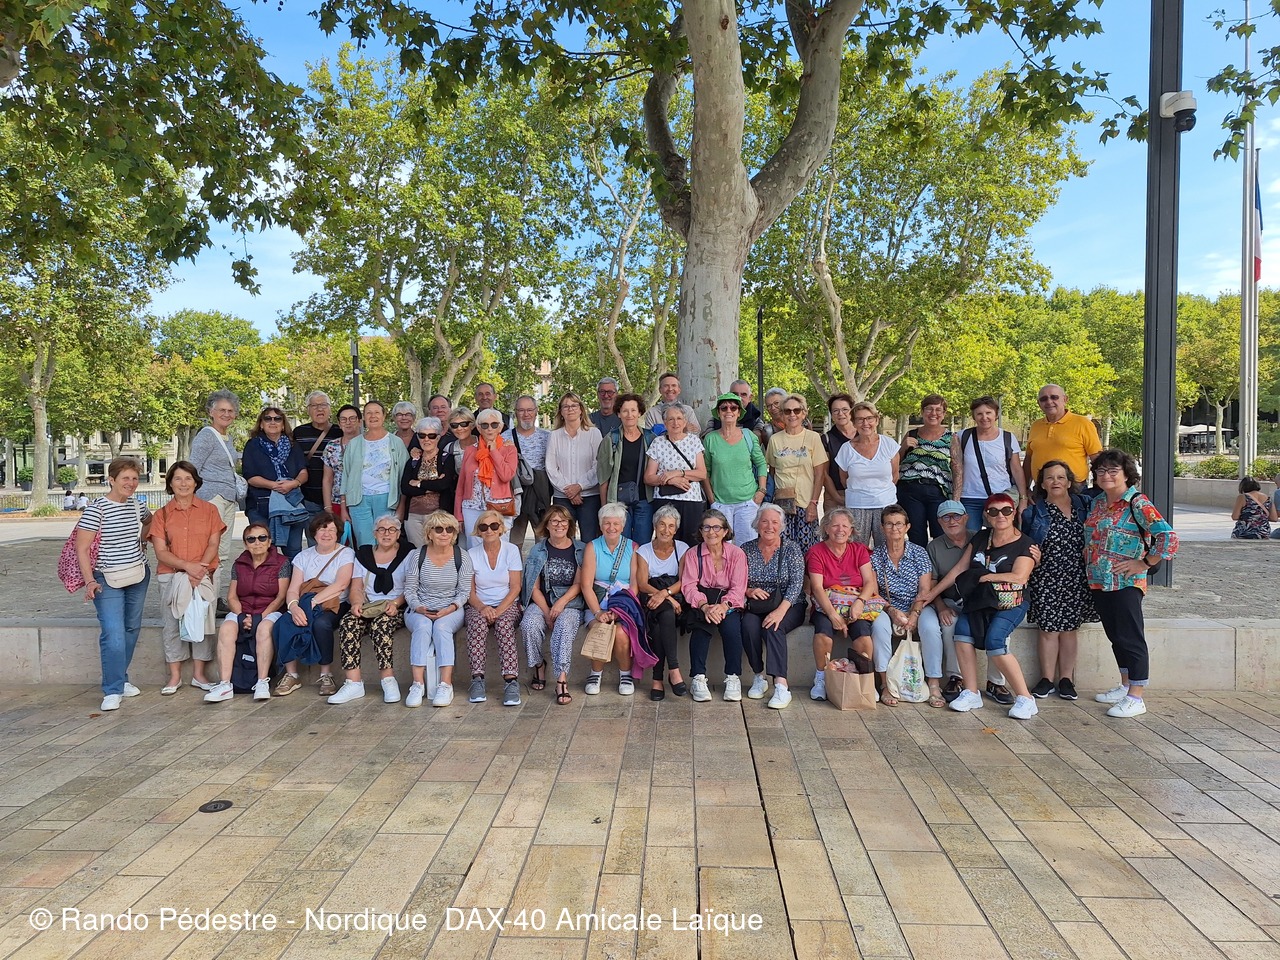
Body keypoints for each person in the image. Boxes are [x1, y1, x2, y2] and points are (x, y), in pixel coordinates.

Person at [920, 493, 1038, 720]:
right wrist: (931, 595)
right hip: (979, 600)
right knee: (962, 635)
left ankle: (1025, 698)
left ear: (1014, 513)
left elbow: (1019, 577)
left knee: (995, 641)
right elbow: (959, 569)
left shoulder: (1026, 544)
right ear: (986, 515)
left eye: (1006, 510)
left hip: (1009, 602)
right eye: (994, 511)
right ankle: (971, 692)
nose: (1000, 515)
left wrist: (983, 577)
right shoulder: (981, 537)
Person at [1084, 449, 1178, 718]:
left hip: (1126, 581)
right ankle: (1125, 686)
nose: (1106, 475)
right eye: (1101, 471)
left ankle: (1136, 696)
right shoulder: (1098, 503)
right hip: (1100, 580)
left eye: (1113, 471)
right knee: (1116, 636)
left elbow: (1168, 536)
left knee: (1131, 637)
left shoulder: (1137, 502)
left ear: (1126, 474)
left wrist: (1145, 563)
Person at [75, 457, 153, 711]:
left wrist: (142, 542)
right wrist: (89, 581)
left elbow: (149, 521)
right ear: (111, 480)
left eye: (134, 478)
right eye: (125, 478)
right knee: (113, 634)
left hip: (138, 575)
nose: (131, 483)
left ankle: (120, 679)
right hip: (106, 578)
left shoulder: (138, 506)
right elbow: (82, 548)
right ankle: (112, 689)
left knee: (131, 629)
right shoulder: (96, 509)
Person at [149, 461, 226, 694]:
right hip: (172, 575)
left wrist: (199, 569)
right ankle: (175, 677)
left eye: (188, 478)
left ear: (196, 482)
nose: (183, 483)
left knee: (203, 621)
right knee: (172, 624)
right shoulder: (161, 514)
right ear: (170, 484)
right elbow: (161, 551)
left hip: (205, 574)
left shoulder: (210, 510)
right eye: (178, 479)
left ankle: (199, 675)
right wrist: (187, 567)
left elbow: (213, 543)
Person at [926, 500, 1012, 704]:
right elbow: (932, 583)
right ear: (939, 522)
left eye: (956, 516)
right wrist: (941, 607)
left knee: (999, 629)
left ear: (966, 518)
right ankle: (956, 678)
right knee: (950, 625)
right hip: (952, 601)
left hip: (983, 600)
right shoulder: (934, 546)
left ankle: (996, 682)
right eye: (946, 517)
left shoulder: (981, 538)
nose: (952, 521)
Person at [1023, 460, 1096, 700]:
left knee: (1069, 630)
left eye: (1061, 477)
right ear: (1042, 483)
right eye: (1050, 477)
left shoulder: (1084, 506)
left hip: (1077, 577)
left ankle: (1066, 679)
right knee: (1048, 630)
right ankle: (1046, 679)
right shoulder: (1033, 513)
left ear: (1069, 481)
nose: (1056, 481)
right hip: (1045, 576)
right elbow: (1024, 543)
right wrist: (1033, 558)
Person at [328, 514, 412, 705]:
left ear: (398, 533)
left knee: (380, 625)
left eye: (391, 530)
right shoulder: (363, 555)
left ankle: (388, 680)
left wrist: (395, 604)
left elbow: (411, 587)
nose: (386, 534)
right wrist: (356, 603)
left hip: (397, 607)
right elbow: (356, 587)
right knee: (348, 623)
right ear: (374, 533)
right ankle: (353, 683)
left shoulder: (409, 553)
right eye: (381, 529)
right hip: (368, 606)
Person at [868, 505, 945, 707]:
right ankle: (885, 684)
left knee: (931, 628)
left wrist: (914, 614)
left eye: (899, 524)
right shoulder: (875, 556)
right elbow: (874, 593)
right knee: (879, 627)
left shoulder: (919, 553)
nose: (894, 528)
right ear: (882, 527)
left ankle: (934, 683)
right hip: (887, 607)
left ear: (907, 527)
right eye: (889, 524)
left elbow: (924, 590)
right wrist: (892, 611)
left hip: (918, 605)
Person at [273, 510, 355, 697]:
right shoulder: (303, 556)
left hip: (334, 603)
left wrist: (313, 603)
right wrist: (294, 607)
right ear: (314, 533)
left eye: (331, 530)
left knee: (321, 624)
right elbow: (293, 588)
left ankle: (326, 674)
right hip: (305, 602)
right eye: (322, 529)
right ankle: (292, 674)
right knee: (283, 623)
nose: (326, 534)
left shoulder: (346, 553)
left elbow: (341, 584)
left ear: (338, 534)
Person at [204, 523, 290, 703]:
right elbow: (232, 596)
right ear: (245, 544)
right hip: (243, 609)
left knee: (264, 629)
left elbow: (281, 597)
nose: (257, 542)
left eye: (262, 538)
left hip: (270, 610)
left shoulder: (282, 562)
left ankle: (262, 682)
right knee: (227, 629)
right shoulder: (239, 564)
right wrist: (242, 616)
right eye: (251, 539)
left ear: (269, 541)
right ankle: (225, 684)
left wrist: (259, 617)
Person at [403, 510, 473, 707]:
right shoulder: (418, 555)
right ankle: (417, 684)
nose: (444, 533)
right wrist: (418, 607)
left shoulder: (462, 556)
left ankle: (445, 684)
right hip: (420, 608)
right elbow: (410, 589)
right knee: (423, 627)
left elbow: (464, 592)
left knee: (442, 628)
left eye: (449, 529)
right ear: (429, 533)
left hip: (451, 608)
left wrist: (450, 608)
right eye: (439, 529)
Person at [806, 507, 877, 701]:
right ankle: (821, 678)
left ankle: (865, 680)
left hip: (855, 603)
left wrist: (860, 602)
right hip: (826, 605)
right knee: (823, 633)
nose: (840, 530)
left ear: (851, 530)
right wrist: (833, 615)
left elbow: (869, 582)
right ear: (826, 528)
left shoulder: (859, 550)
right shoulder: (816, 552)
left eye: (845, 526)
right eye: (835, 525)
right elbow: (817, 587)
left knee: (863, 635)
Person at [740, 503, 806, 709]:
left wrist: (780, 611)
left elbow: (797, 583)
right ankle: (758, 676)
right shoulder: (746, 549)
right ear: (757, 524)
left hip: (790, 603)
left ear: (782, 526)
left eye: (775, 522)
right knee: (748, 625)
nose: (769, 526)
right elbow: (737, 580)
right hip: (757, 604)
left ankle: (781, 685)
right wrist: (748, 591)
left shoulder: (792, 548)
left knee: (773, 627)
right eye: (765, 521)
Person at [679, 507, 748, 702]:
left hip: (728, 602)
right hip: (702, 601)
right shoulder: (693, 554)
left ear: (725, 531)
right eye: (706, 527)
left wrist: (723, 606)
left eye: (717, 527)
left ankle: (733, 677)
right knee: (701, 629)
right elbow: (689, 585)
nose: (711, 532)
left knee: (731, 629)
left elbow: (739, 587)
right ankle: (698, 678)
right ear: (701, 531)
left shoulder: (737, 554)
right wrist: (705, 606)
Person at [519, 505, 585, 706]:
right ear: (546, 525)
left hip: (571, 602)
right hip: (543, 601)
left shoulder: (580, 549)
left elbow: (579, 584)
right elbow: (533, 587)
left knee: (564, 626)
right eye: (554, 521)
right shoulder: (537, 550)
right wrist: (548, 612)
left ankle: (561, 680)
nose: (559, 525)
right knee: (529, 624)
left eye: (563, 521)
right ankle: (539, 664)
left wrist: (561, 604)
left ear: (570, 524)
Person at [580, 501, 643, 696]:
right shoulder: (592, 547)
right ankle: (595, 674)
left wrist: (619, 611)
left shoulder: (633, 547)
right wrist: (598, 612)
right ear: (601, 525)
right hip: (598, 601)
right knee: (601, 628)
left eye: (616, 523)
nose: (611, 528)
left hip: (624, 603)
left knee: (621, 633)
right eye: (607, 523)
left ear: (623, 526)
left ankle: (625, 674)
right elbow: (586, 585)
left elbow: (635, 585)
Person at [465, 509, 523, 705]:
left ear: (500, 529)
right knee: (477, 625)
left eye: (493, 525)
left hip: (507, 603)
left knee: (504, 626)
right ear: (478, 531)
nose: (489, 530)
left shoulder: (511, 550)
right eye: (483, 527)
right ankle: (477, 680)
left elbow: (515, 587)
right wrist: (483, 608)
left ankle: (511, 681)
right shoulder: (471, 554)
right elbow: (470, 591)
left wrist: (498, 611)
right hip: (479, 604)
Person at [189, 389, 241, 604]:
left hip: (228, 498)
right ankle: (205, 597)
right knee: (211, 549)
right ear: (211, 412)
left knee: (223, 551)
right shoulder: (207, 435)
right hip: (211, 497)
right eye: (222, 410)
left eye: (230, 411)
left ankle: (214, 594)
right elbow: (192, 468)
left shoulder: (228, 438)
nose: (226, 414)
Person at [636, 505, 690, 700]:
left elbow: (684, 580)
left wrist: (666, 594)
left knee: (662, 621)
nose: (666, 530)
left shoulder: (682, 548)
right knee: (665, 612)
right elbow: (642, 584)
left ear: (676, 529)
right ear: (655, 526)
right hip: (651, 597)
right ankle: (674, 670)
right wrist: (665, 597)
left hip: (674, 596)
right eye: (662, 524)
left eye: (671, 526)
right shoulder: (644, 550)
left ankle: (657, 679)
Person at [241, 406, 309, 558]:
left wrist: (294, 483)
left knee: (293, 552)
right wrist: (274, 485)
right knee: (263, 552)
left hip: (291, 505)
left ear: (283, 424)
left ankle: (290, 575)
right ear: (261, 424)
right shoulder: (253, 445)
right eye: (268, 419)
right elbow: (250, 476)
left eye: (277, 419)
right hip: (261, 506)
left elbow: (303, 472)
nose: (273, 422)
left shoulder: (293, 445)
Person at [342, 400, 409, 547]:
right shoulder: (354, 443)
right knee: (364, 544)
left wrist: (401, 506)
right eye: (369, 413)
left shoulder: (396, 442)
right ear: (363, 418)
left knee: (386, 541)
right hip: (359, 501)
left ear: (384, 416)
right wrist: (343, 507)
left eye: (377, 412)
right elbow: (345, 475)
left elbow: (404, 477)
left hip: (388, 499)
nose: (373, 416)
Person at [897, 394, 962, 546]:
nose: (933, 413)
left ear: (944, 414)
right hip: (910, 491)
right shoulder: (912, 434)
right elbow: (895, 462)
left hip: (938, 491)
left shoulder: (951, 438)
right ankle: (920, 561)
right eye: (929, 409)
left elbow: (957, 469)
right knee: (916, 534)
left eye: (938, 410)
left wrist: (956, 500)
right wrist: (903, 447)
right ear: (922, 412)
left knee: (940, 533)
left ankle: (937, 562)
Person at [703, 392, 768, 544]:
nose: (729, 411)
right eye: (724, 408)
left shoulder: (748, 436)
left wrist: (761, 491)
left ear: (739, 412)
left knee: (747, 547)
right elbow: (705, 471)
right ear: (718, 412)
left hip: (747, 503)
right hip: (720, 503)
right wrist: (711, 499)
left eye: (733, 408)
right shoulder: (710, 439)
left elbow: (761, 463)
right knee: (721, 547)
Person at [767, 393, 829, 550]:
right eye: (787, 411)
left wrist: (813, 503)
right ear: (782, 414)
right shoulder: (775, 440)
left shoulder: (813, 438)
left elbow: (819, 474)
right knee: (782, 551)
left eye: (796, 410)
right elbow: (772, 472)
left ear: (804, 413)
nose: (792, 414)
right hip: (782, 505)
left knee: (807, 551)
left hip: (806, 504)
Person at [835, 401, 900, 548]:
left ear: (876, 420)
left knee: (887, 548)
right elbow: (844, 479)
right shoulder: (846, 449)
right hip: (857, 506)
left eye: (869, 418)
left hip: (885, 504)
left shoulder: (889, 444)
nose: (865, 423)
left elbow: (895, 476)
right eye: (860, 419)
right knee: (856, 550)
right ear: (854, 423)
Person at [958, 395, 1027, 531]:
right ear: (973, 416)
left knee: (1002, 537)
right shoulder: (963, 437)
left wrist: (1023, 498)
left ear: (996, 414)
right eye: (979, 414)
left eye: (988, 413)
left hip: (1000, 497)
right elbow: (955, 467)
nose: (984, 417)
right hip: (970, 497)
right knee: (972, 538)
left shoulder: (1007, 437)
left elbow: (1017, 470)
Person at [597, 392, 656, 546]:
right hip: (618, 502)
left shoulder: (650, 438)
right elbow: (603, 477)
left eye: (633, 410)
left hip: (644, 500)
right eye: (625, 411)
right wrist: (605, 508)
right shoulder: (611, 439)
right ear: (618, 413)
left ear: (640, 412)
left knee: (642, 545)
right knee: (620, 544)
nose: (629, 415)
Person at [645, 402, 708, 545]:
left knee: (691, 542)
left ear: (685, 422)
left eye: (679, 418)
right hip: (665, 499)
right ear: (665, 423)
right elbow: (648, 477)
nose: (675, 423)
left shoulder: (694, 441)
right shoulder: (658, 442)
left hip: (691, 500)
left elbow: (701, 473)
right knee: (666, 541)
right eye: (671, 419)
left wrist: (677, 473)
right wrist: (670, 480)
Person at [546, 391, 604, 543]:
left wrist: (579, 486)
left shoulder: (594, 433)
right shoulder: (554, 436)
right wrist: (570, 491)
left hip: (590, 496)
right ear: (561, 412)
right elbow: (551, 467)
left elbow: (598, 465)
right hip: (562, 497)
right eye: (565, 406)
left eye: (574, 405)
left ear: (581, 409)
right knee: (563, 540)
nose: (570, 409)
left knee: (589, 540)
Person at [456, 408, 518, 546]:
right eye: (485, 425)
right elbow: (461, 485)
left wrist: (494, 451)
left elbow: (506, 475)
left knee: (500, 547)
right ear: (478, 428)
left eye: (494, 425)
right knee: (474, 548)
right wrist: (458, 516)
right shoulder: (470, 450)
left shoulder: (509, 449)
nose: (490, 429)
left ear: (500, 427)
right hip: (472, 507)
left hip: (500, 506)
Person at [1023, 383, 1103, 489]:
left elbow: (1097, 458)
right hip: (1041, 489)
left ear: (1065, 399)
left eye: (1054, 397)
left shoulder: (1083, 423)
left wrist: (1099, 488)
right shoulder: (1035, 426)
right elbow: (1029, 459)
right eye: (1043, 399)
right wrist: (1025, 490)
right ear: (1039, 403)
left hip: (1073, 489)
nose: (1049, 402)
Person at [505, 394, 552, 550]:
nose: (526, 414)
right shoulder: (504, 438)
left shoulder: (548, 437)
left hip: (540, 496)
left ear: (536, 411)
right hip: (516, 493)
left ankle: (541, 566)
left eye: (530, 410)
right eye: (521, 410)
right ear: (515, 412)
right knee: (514, 542)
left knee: (543, 541)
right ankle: (515, 566)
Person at [401, 417, 455, 549]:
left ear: (438, 437)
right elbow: (405, 488)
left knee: (438, 551)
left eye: (431, 436)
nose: (426, 439)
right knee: (417, 553)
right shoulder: (413, 460)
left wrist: (419, 483)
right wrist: (433, 486)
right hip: (413, 516)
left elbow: (444, 485)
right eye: (422, 435)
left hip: (438, 516)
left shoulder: (446, 459)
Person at [292, 391, 337, 528]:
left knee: (337, 536)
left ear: (330, 408)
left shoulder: (339, 431)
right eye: (314, 406)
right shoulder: (298, 433)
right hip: (309, 498)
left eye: (323, 405)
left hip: (335, 498)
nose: (319, 409)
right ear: (308, 410)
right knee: (314, 536)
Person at [321, 404, 363, 523]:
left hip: (362, 501)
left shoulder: (368, 444)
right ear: (339, 423)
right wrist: (328, 507)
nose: (348, 422)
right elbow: (327, 479)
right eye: (343, 419)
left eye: (352, 418)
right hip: (337, 501)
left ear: (360, 422)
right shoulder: (332, 446)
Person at [821, 393, 856, 510]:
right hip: (835, 495)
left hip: (861, 494)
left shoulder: (863, 434)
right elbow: (824, 473)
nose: (840, 414)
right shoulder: (826, 439)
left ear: (852, 411)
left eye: (845, 409)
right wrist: (837, 497)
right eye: (835, 411)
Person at [442, 406, 478, 504]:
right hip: (460, 497)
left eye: (463, 424)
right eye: (454, 425)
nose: (459, 428)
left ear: (472, 425)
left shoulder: (483, 444)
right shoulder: (449, 448)